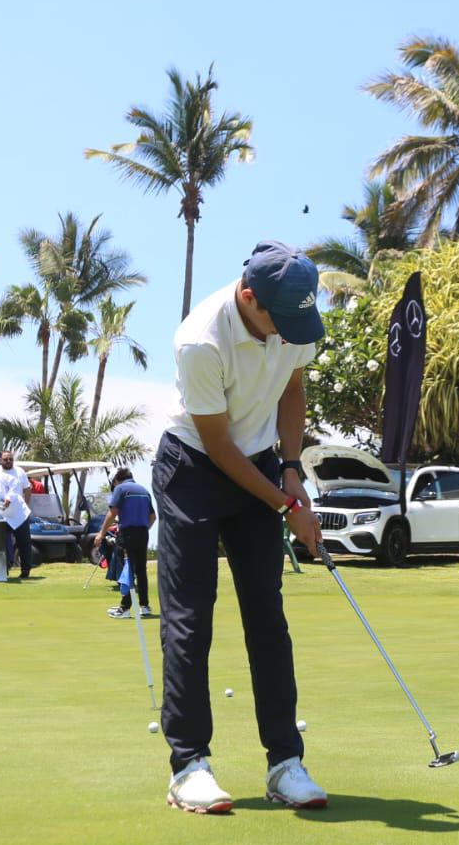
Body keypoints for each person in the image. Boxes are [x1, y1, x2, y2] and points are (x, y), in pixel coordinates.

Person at [154, 240, 328, 815]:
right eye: (280, 320)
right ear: (248, 298)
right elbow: (219, 446)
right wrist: (286, 506)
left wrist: (292, 469)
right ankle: (189, 767)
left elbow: (293, 389)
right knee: (189, 618)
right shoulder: (201, 340)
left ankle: (285, 764)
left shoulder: (293, 321)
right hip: (194, 468)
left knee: (267, 616)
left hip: (259, 463)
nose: (289, 332)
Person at [92, 467, 156, 619]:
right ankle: (144, 606)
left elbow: (112, 513)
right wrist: (142, 529)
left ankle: (125, 608)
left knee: (125, 570)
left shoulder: (120, 489)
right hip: (143, 533)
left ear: (116, 479)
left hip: (127, 534)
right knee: (141, 570)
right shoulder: (143, 490)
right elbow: (153, 517)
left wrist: (101, 534)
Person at [0, 450, 34, 580]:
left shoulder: (20, 472)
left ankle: (25, 571)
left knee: (24, 544)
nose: (8, 461)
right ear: (0, 460)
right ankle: (3, 570)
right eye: (6, 459)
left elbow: (27, 489)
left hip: (19, 514)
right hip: (3, 516)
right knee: (2, 544)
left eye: (11, 459)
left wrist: (27, 505)